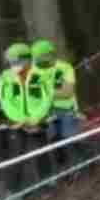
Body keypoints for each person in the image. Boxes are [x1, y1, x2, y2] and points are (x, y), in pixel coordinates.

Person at [0, 43, 54, 195]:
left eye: (17, 61)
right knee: (16, 155)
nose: (14, 65)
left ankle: (48, 182)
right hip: (16, 122)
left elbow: (47, 97)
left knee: (41, 150)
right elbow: (4, 100)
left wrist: (36, 118)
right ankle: (13, 191)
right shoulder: (5, 77)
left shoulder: (41, 75)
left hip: (37, 120)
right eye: (11, 62)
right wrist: (19, 119)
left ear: (27, 60)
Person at [29, 39, 86, 172]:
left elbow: (67, 91)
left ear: (49, 54)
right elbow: (34, 95)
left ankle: (92, 164)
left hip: (66, 110)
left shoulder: (65, 67)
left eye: (40, 56)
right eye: (36, 57)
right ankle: (65, 171)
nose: (38, 60)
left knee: (73, 138)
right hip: (46, 112)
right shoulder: (34, 72)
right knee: (55, 142)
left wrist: (47, 93)